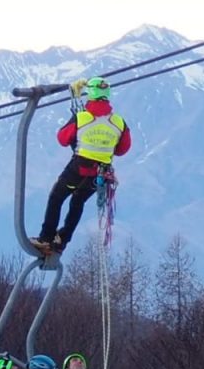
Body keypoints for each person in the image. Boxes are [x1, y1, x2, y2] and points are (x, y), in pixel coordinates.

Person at [34, 76, 132, 254]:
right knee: (78, 201)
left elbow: (62, 139)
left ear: (91, 95)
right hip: (101, 173)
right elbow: (122, 149)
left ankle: (46, 238)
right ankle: (63, 240)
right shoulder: (118, 122)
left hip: (78, 168)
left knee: (57, 197)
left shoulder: (81, 118)